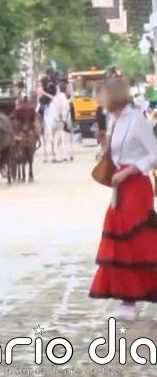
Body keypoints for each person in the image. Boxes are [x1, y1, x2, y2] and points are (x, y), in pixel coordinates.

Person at [90, 76, 157, 320]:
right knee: (119, 238)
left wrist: (130, 170)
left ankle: (134, 297)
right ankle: (127, 297)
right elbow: (116, 153)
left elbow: (154, 154)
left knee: (137, 237)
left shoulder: (137, 120)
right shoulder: (113, 120)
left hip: (136, 184)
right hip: (120, 185)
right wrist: (104, 146)